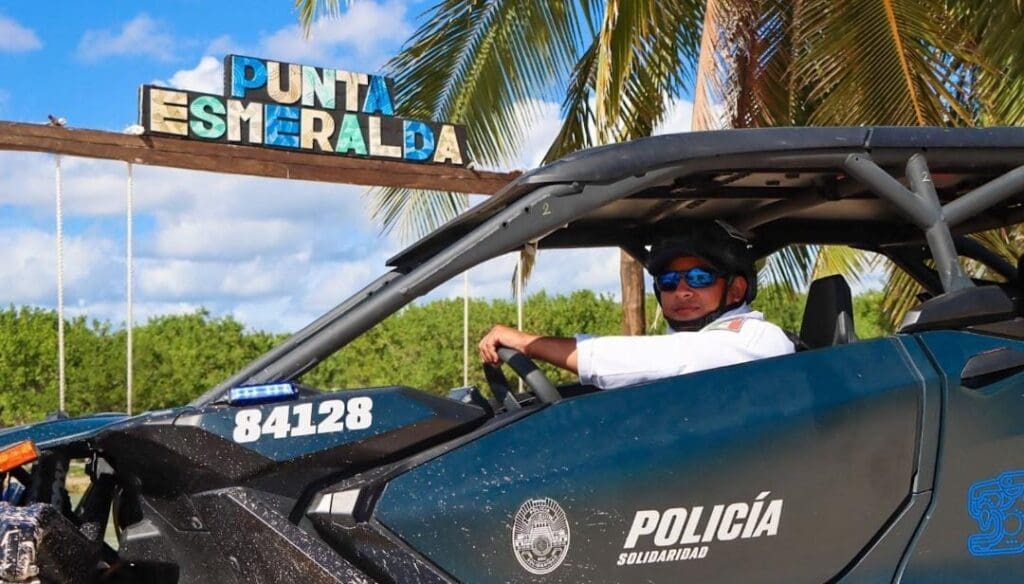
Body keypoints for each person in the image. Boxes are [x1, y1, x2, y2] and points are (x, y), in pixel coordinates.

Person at [478, 222, 795, 390]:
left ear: (736, 289)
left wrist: (529, 343)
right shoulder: (689, 343)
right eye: (669, 281)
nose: (682, 291)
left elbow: (668, 358)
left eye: (699, 278)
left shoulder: (758, 340)